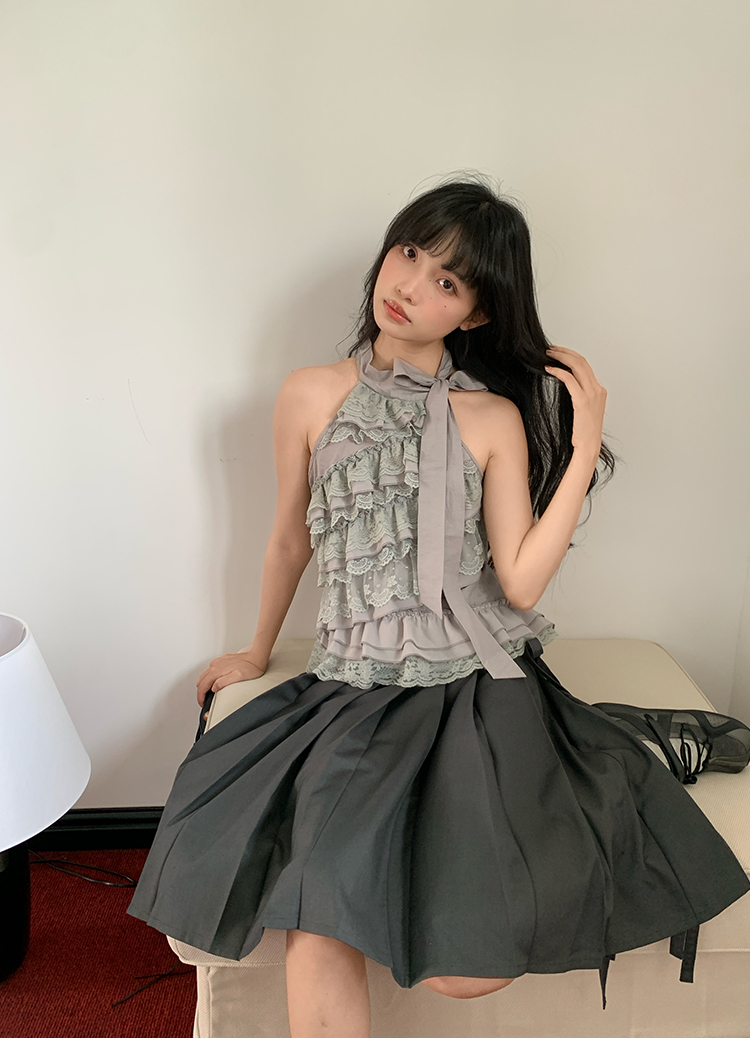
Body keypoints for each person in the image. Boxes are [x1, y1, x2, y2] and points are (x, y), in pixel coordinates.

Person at [128, 177, 750, 1038]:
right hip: (352, 685)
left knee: (466, 973)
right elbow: (288, 540)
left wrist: (584, 446)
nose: (411, 285)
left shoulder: (489, 417)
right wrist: (256, 648)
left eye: (448, 281)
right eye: (411, 251)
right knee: (318, 903)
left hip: (475, 682)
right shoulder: (309, 393)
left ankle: (611, 750)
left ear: (477, 314)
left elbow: (520, 584)